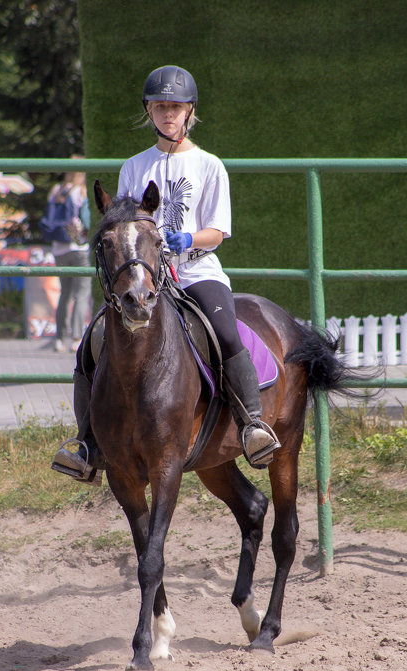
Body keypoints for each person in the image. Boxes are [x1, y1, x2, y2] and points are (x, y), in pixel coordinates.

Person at [51, 64, 280, 483]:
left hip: (197, 273)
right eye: (160, 107)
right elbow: (122, 226)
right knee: (91, 343)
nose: (168, 114)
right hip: (144, 278)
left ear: (190, 111)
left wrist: (188, 238)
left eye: (175, 107)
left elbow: (218, 232)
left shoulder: (210, 166)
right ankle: (85, 443)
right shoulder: (134, 168)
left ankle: (252, 427)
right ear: (149, 112)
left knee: (225, 333)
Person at [43, 163, 92, 353]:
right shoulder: (81, 191)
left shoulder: (57, 190)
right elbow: (87, 219)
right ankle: (77, 337)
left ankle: (59, 338)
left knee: (65, 294)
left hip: (59, 249)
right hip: (79, 248)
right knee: (81, 294)